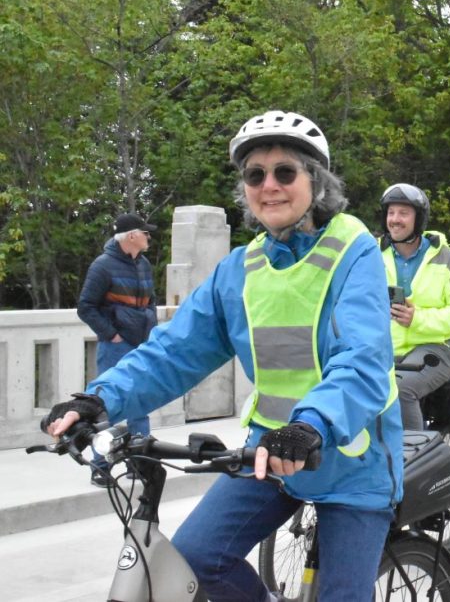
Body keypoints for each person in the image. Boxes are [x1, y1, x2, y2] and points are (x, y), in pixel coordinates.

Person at [42, 110, 402, 601]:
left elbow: (362, 359)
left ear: (316, 182)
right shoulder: (240, 268)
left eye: (284, 172)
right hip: (268, 459)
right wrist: (99, 400)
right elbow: (175, 351)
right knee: (193, 560)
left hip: (352, 464)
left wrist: (310, 424)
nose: (268, 185)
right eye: (255, 174)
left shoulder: (353, 250)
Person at [379, 183, 450, 431]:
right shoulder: (373, 255)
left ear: (418, 218)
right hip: (385, 348)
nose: (395, 219)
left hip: (436, 348)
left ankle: (414, 461)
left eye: (403, 213)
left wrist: (416, 319)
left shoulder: (447, 258)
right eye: (391, 213)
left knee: (401, 390)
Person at [76, 212, 159, 487]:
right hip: (115, 345)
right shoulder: (103, 266)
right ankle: (100, 467)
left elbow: (150, 301)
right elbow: (85, 307)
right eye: (145, 233)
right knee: (108, 404)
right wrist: (110, 335)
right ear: (132, 236)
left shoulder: (143, 264)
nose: (149, 237)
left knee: (140, 401)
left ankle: (140, 463)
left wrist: (151, 331)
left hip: (141, 342)